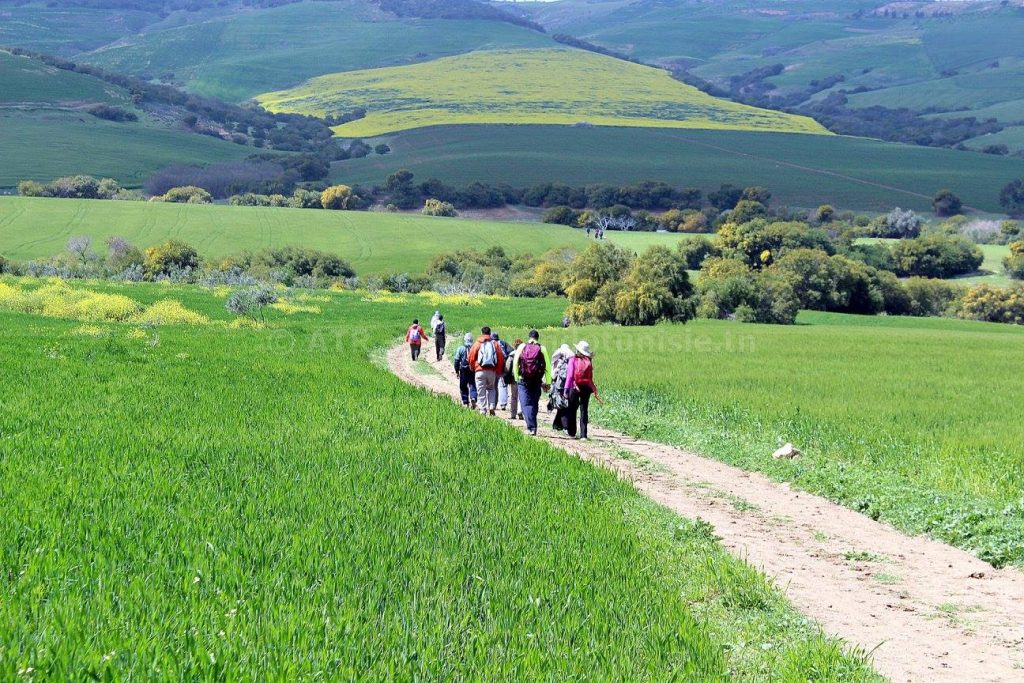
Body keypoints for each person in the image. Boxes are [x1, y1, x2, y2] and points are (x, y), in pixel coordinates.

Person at [513, 329, 551, 436]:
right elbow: (547, 367)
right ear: (537, 338)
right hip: (536, 380)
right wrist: (548, 382)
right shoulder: (542, 348)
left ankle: (531, 427)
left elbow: (515, 363)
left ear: (529, 337)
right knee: (534, 403)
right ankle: (532, 424)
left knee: (525, 403)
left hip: (523, 379)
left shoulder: (522, 347)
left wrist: (517, 377)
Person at [564, 340, 600, 440]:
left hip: (574, 387)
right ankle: (583, 435)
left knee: (572, 409)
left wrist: (566, 389)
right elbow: (590, 376)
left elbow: (570, 376)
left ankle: (572, 433)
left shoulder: (572, 359)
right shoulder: (589, 360)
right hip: (586, 387)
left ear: (577, 350)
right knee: (584, 410)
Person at [468, 326, 505, 416]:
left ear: (481, 333)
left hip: (479, 370)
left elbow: (471, 356)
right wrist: (498, 370)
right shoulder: (494, 343)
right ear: (490, 333)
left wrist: (473, 367)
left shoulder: (478, 343)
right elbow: (500, 358)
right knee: (491, 388)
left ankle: (482, 409)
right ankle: (491, 406)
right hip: (491, 371)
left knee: (481, 390)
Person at [549, 343, 573, 432]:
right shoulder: (569, 361)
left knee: (560, 405)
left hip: (558, 386)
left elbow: (552, 375)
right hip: (566, 387)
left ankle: (558, 425)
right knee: (563, 406)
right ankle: (563, 426)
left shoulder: (556, 360)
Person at [452, 332, 477, 409]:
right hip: (472, 369)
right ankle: (473, 397)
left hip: (463, 369)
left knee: (463, 385)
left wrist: (457, 370)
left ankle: (465, 401)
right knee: (472, 383)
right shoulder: (475, 348)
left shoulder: (461, 348)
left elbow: (456, 360)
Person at [491, 331, 514, 410]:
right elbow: (512, 351)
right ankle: (503, 404)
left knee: (493, 386)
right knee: (502, 385)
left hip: (492, 368)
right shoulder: (503, 343)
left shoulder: (490, 344)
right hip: (502, 368)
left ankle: (493, 404)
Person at [504, 337, 524, 419]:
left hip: (513, 378)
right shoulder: (524, 353)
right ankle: (520, 411)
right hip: (522, 377)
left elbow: (507, 367)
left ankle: (513, 414)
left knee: (513, 396)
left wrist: (505, 374)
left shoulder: (512, 354)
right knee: (521, 396)